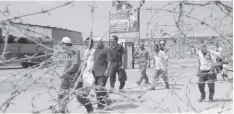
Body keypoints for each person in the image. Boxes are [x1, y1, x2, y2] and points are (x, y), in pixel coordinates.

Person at [57, 37, 93, 113]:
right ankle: (62, 109)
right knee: (62, 93)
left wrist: (65, 73)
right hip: (67, 77)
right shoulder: (67, 52)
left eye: (62, 44)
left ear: (65, 44)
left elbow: (75, 65)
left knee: (79, 96)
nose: (61, 46)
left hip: (75, 77)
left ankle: (90, 109)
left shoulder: (74, 51)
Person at [93, 40, 110, 109]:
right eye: (96, 42)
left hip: (102, 72)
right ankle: (100, 104)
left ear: (102, 43)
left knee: (100, 88)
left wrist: (107, 70)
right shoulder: (95, 51)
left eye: (99, 42)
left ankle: (105, 102)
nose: (97, 43)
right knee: (96, 90)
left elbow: (109, 61)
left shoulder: (105, 50)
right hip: (95, 73)